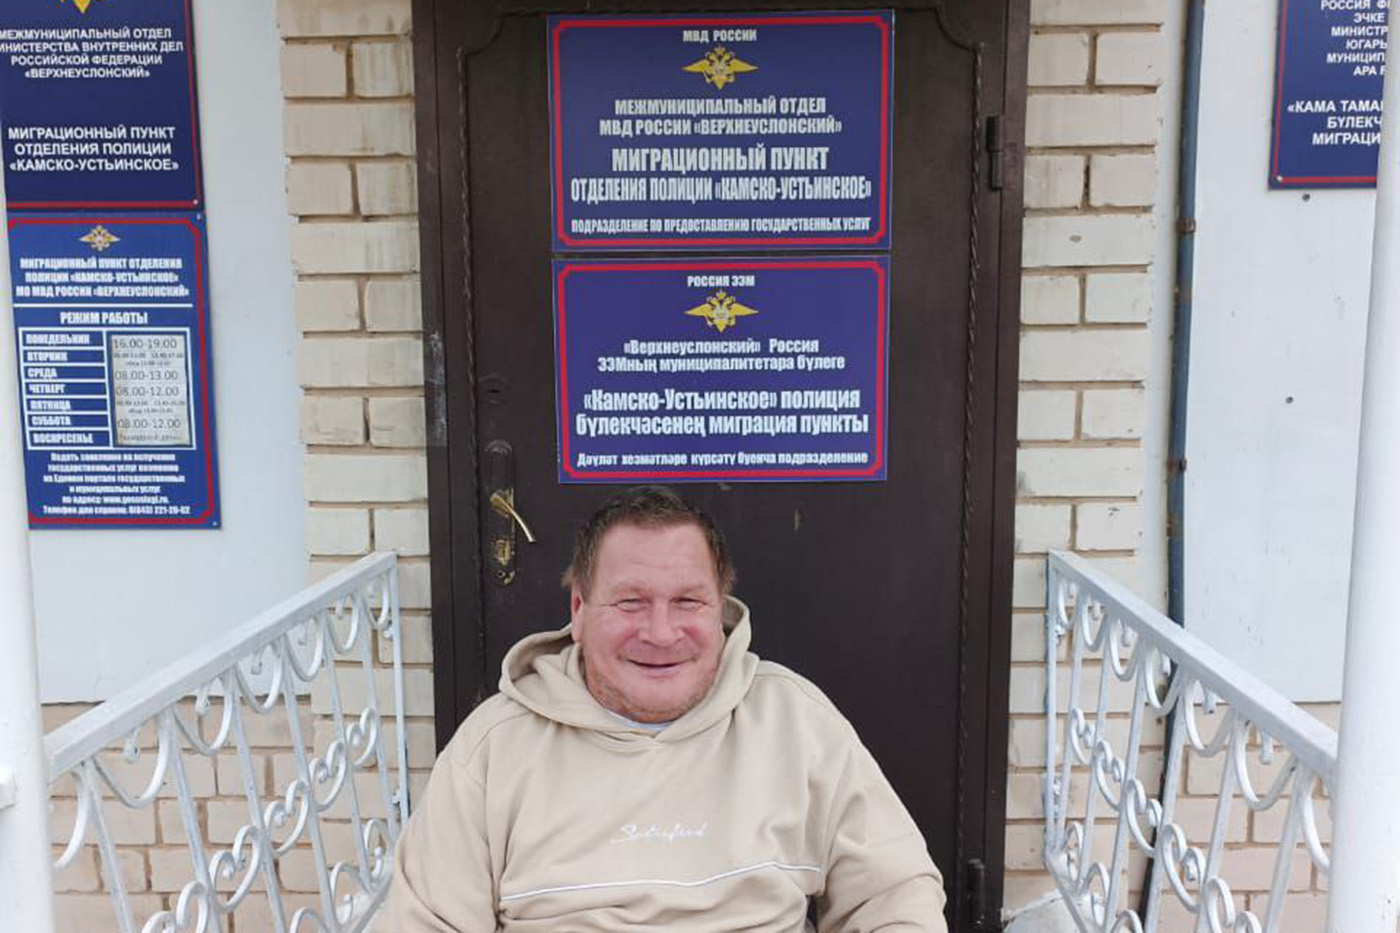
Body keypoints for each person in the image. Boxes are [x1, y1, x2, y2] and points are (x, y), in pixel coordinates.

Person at [374, 485, 948, 932]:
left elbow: (895, 895)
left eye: (688, 601)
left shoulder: (795, 721)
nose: (660, 632)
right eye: (630, 602)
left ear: (720, 611)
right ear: (579, 610)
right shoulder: (493, 748)